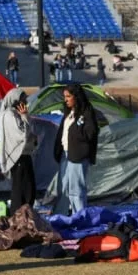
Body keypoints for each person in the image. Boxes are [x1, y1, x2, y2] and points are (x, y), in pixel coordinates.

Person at [53, 84, 99, 214]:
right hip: (65, 155)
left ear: (76, 97)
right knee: (63, 188)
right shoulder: (69, 113)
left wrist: (77, 135)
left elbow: (91, 133)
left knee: (76, 190)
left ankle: (79, 216)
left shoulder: (86, 112)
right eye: (64, 97)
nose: (66, 100)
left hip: (77, 156)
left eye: (68, 96)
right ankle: (60, 215)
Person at [0, 89, 37, 214]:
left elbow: (30, 132)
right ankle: (18, 220)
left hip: (25, 156)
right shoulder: (9, 115)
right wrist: (25, 117)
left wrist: (25, 117)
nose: (25, 102)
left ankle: (25, 218)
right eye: (23, 99)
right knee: (21, 191)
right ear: (15, 100)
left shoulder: (17, 114)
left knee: (29, 189)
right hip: (18, 157)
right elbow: (22, 136)